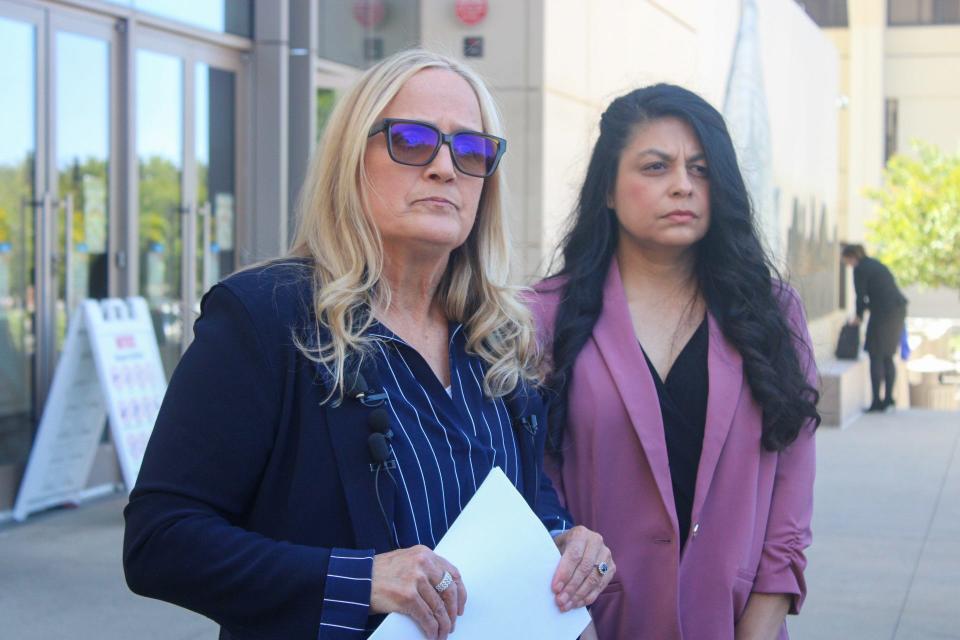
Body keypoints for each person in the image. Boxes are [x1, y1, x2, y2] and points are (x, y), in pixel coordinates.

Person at [123, 49, 613, 640]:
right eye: (411, 140)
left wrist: (563, 543)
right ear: (351, 159)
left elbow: (522, 500)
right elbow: (160, 539)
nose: (444, 168)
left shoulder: (496, 333)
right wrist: (360, 581)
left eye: (472, 149)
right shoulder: (266, 317)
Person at [528, 84, 821, 639]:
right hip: (591, 625)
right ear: (609, 190)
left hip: (735, 623)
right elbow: (532, 487)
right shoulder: (545, 317)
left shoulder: (772, 313)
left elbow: (791, 491)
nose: (683, 186)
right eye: (656, 167)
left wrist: (758, 627)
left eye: (701, 169)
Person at [841, 243, 908, 412]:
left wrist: (858, 316)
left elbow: (860, 296)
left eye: (846, 261)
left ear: (851, 257)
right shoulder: (875, 264)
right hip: (897, 310)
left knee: (876, 354)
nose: (847, 265)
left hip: (883, 313)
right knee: (888, 355)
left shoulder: (860, 269)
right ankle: (888, 400)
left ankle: (877, 402)